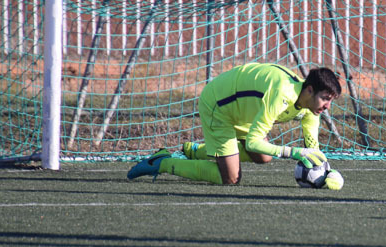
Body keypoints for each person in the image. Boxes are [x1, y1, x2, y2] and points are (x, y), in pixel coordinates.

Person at [127, 63, 341, 185]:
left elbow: (313, 149)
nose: (327, 106)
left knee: (264, 157)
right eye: (325, 98)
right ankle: (162, 162)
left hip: (243, 112)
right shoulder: (281, 94)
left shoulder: (311, 109)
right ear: (310, 90)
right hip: (219, 106)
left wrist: (325, 171)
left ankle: (195, 151)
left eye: (330, 101)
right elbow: (254, 142)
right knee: (230, 178)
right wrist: (294, 152)